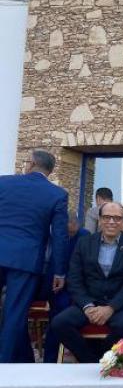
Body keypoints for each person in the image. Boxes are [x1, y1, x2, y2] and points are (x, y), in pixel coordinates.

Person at [51, 202, 123, 363]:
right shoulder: (84, 243)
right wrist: (88, 306)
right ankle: (90, 361)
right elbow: (74, 278)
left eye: (117, 218)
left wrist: (110, 308)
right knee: (59, 323)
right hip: (88, 302)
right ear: (100, 220)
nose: (111, 222)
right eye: (107, 217)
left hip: (118, 305)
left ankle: (104, 359)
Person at [0, 149, 68, 363]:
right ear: (50, 170)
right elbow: (59, 236)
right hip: (26, 260)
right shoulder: (57, 194)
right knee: (14, 315)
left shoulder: (3, 182)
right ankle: (5, 367)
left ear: (30, 163)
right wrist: (59, 271)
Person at [41, 212, 90, 363]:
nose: (70, 230)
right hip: (54, 284)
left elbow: (84, 264)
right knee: (57, 315)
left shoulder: (84, 236)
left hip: (77, 285)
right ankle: (50, 358)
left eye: (73, 226)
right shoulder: (52, 236)